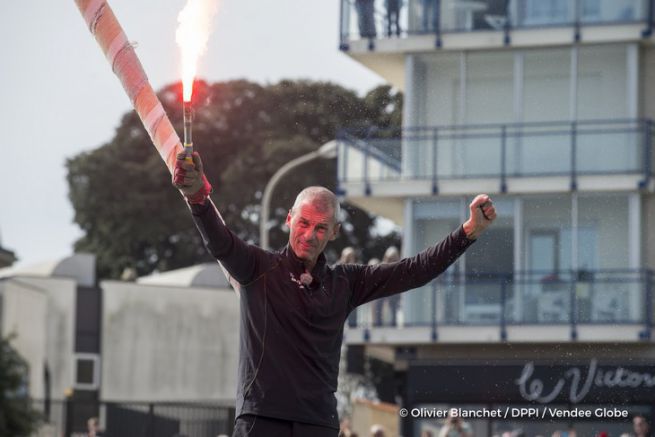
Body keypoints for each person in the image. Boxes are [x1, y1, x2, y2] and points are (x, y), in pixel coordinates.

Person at [173, 151, 496, 437]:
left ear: (334, 232)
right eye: (303, 223)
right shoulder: (258, 267)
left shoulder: (346, 282)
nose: (309, 235)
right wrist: (198, 198)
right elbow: (221, 243)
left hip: (319, 422)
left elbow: (415, 270)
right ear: (289, 219)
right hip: (262, 417)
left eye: (320, 227)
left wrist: (467, 233)